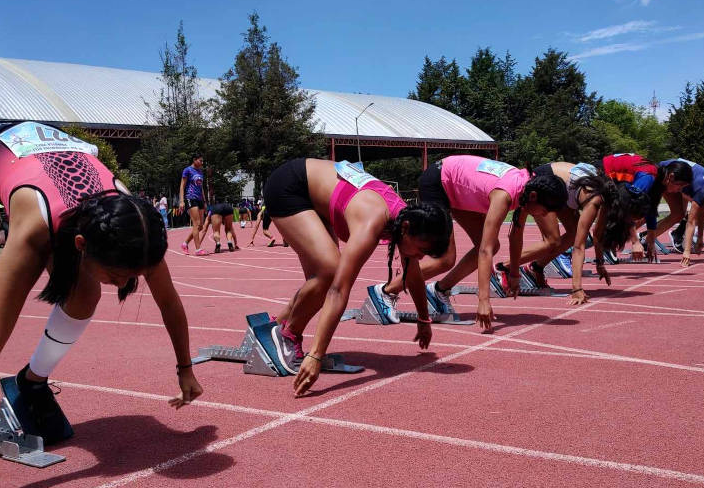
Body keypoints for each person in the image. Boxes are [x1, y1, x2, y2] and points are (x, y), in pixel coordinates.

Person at [0, 121, 202, 488]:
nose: (125, 284)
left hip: (44, 168)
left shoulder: (134, 225)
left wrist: (185, 370)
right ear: (81, 245)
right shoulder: (34, 228)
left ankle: (31, 382)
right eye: (119, 275)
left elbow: (169, 301)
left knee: (86, 296)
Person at [263, 158, 452, 395]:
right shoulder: (373, 220)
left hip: (313, 193)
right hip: (290, 186)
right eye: (422, 250)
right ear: (405, 229)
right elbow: (339, 290)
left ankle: (273, 327)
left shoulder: (407, 219)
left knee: (321, 278)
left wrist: (424, 320)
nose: (421, 257)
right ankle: (288, 334)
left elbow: (412, 272)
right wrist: (316, 355)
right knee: (330, 274)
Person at [381, 155, 568, 328]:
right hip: (439, 182)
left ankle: (439, 290)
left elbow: (515, 235)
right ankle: (386, 292)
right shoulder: (505, 194)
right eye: (545, 210)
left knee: (494, 245)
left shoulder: (528, 187)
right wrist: (483, 301)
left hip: (459, 189)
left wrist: (514, 273)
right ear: (535, 197)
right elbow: (484, 251)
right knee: (445, 258)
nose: (544, 215)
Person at [496, 160, 638, 306]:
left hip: (564, 189)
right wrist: (576, 288)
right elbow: (579, 246)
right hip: (546, 181)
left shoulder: (609, 196)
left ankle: (536, 267)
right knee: (552, 240)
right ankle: (504, 267)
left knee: (572, 234)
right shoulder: (596, 200)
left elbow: (597, 234)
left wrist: (600, 263)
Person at [639, 159, 694, 261]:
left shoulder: (676, 179)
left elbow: (652, 212)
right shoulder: (652, 178)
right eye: (680, 186)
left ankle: (644, 239)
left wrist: (650, 238)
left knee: (678, 214)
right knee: (640, 211)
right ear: (670, 177)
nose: (680, 190)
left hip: (673, 173)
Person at [178, 155, 209, 255]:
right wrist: (182, 201)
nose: (202, 163)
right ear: (194, 160)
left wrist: (204, 202)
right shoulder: (187, 170)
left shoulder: (200, 172)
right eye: (200, 160)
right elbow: (182, 186)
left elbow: (201, 188)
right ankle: (198, 249)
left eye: (202, 161)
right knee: (196, 223)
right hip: (190, 197)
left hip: (199, 199)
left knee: (200, 226)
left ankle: (185, 243)